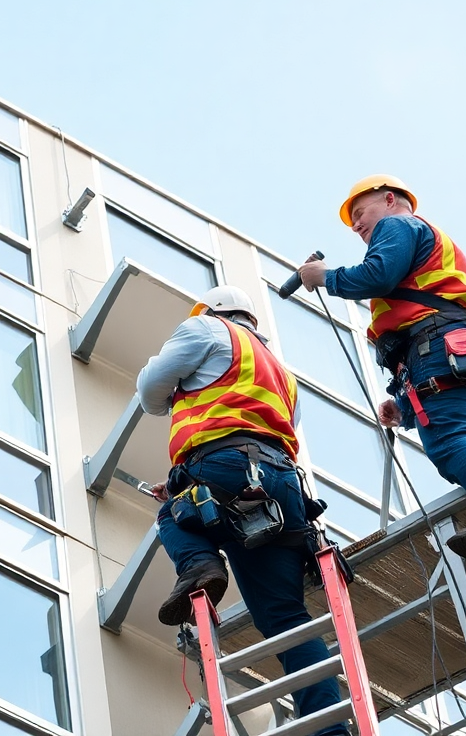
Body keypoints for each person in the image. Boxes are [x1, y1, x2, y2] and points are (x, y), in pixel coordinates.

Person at [139, 285, 348, 736]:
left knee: (171, 515)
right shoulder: (281, 372)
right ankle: (330, 729)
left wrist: (179, 394)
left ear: (214, 311)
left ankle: (200, 566)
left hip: (228, 464)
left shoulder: (205, 328)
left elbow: (149, 392)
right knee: (287, 620)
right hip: (283, 487)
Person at [298, 175, 466, 560]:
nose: (356, 224)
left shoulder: (398, 224)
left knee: (451, 440)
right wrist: (404, 404)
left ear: (389, 199)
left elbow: (378, 275)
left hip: (447, 350)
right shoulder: (434, 247)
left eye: (360, 211)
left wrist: (327, 277)